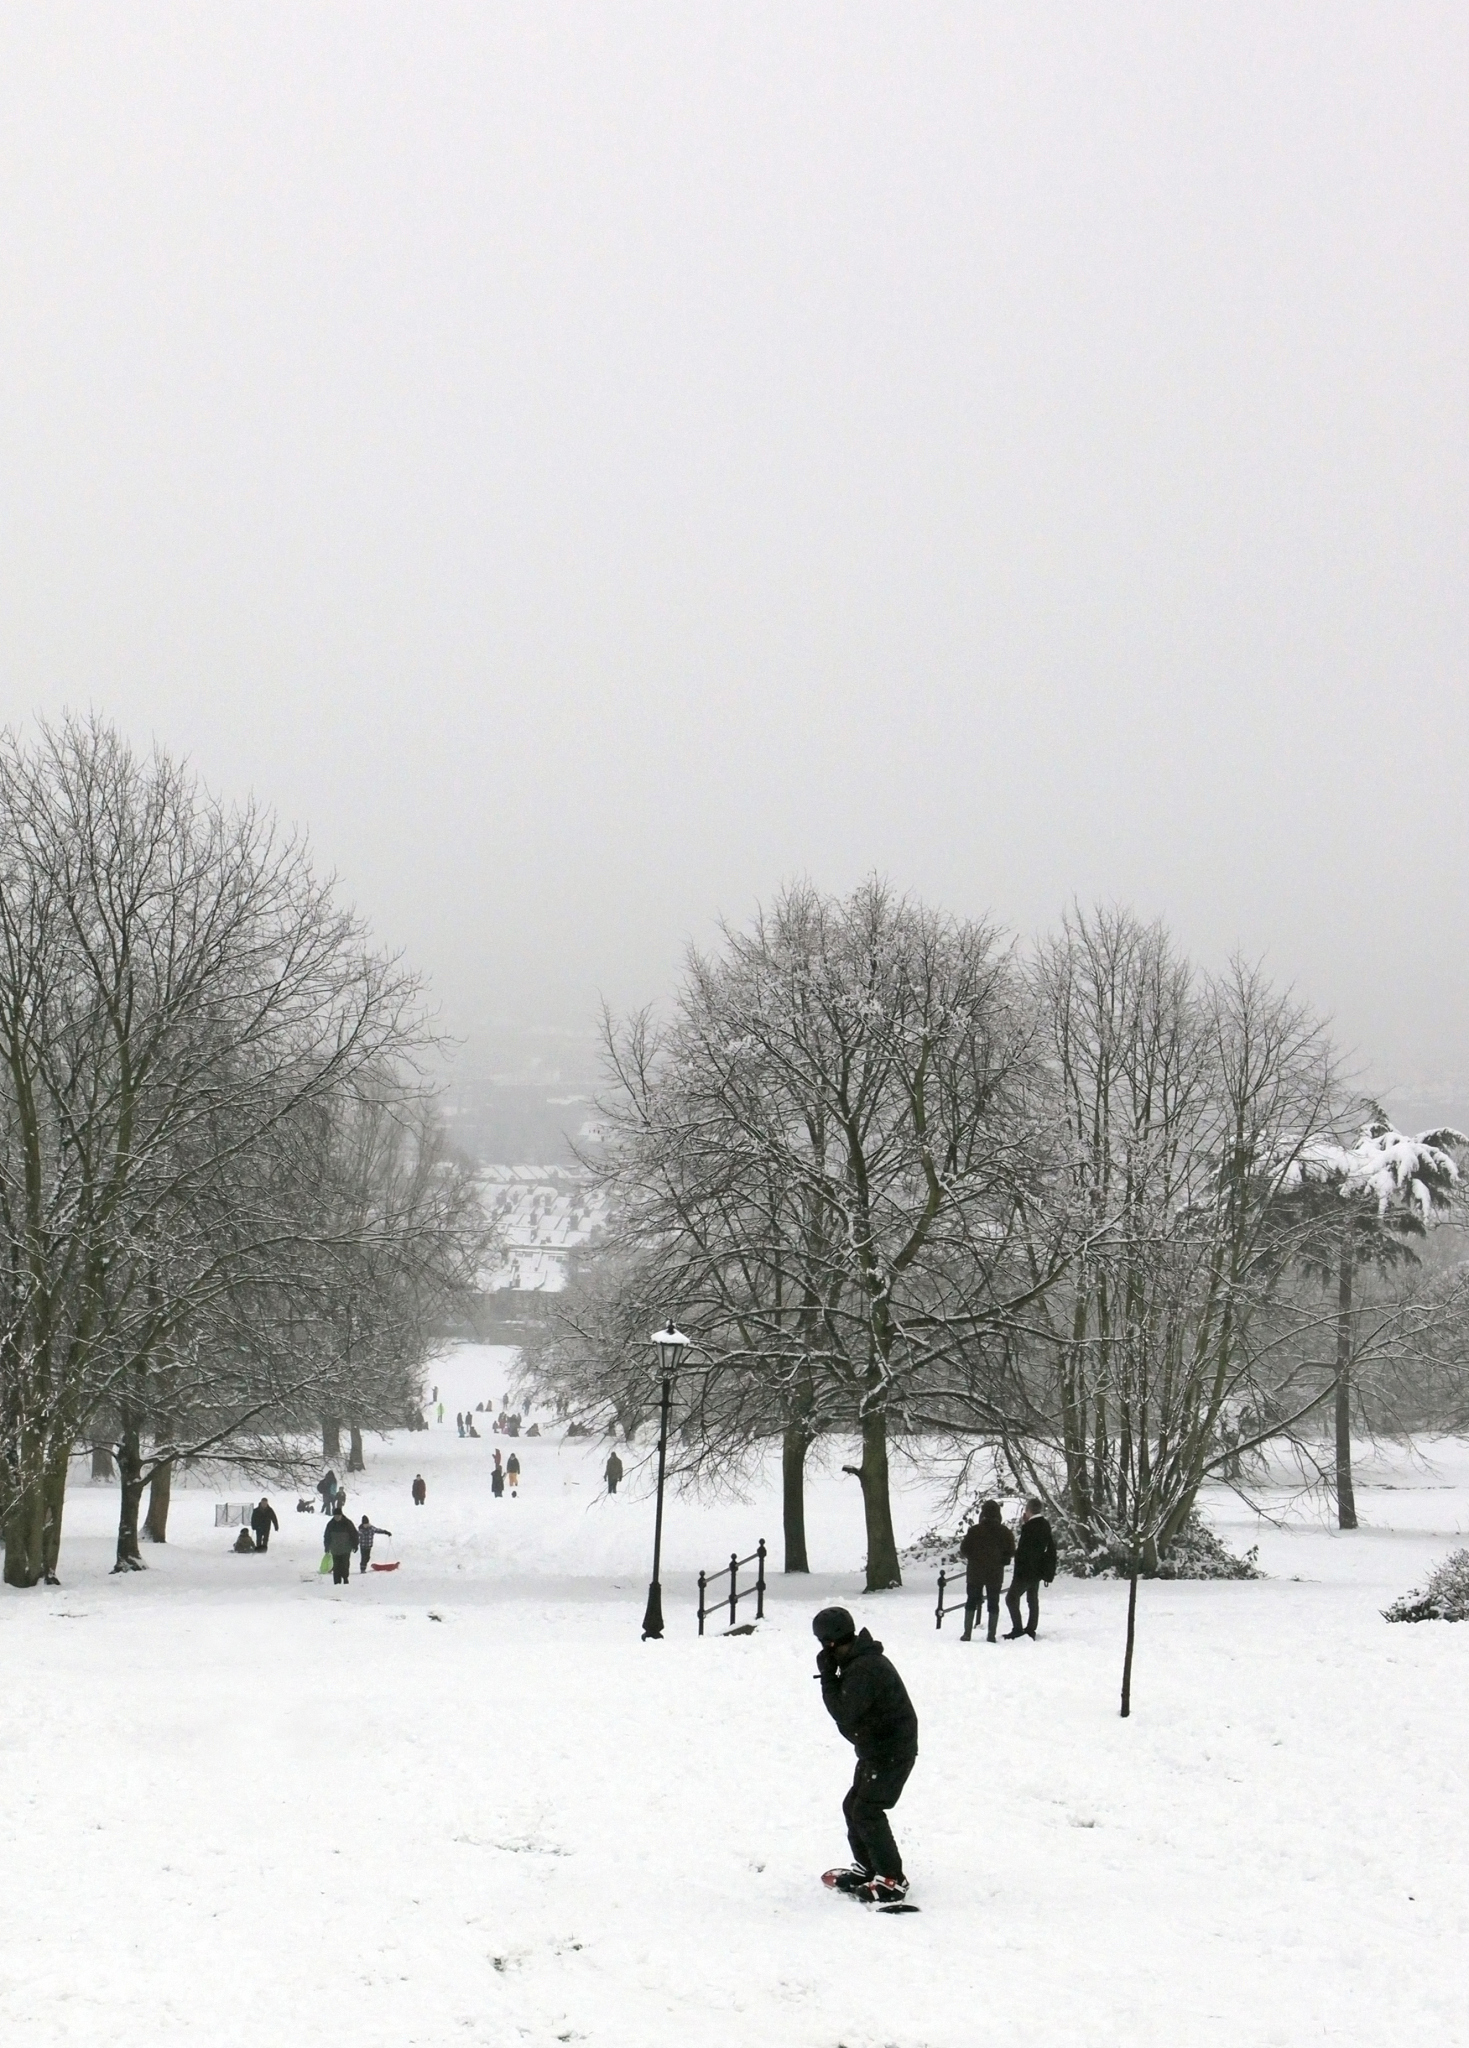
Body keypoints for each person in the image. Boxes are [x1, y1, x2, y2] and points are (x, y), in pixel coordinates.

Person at [812, 1607, 918, 1907]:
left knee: (867, 1811)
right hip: (878, 1749)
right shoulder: (858, 1660)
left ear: (829, 1643)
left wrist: (827, 1678)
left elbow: (843, 1711)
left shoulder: (864, 1668)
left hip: (891, 1752)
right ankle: (870, 1868)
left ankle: (891, 1880)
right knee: (854, 1806)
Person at [958, 1499, 1014, 1643]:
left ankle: (967, 1633)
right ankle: (991, 1635)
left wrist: (973, 1558)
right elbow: (1010, 1552)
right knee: (993, 1603)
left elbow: (964, 1549)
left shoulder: (974, 1530)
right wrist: (1002, 1560)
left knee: (971, 1601)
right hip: (995, 1573)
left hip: (975, 1572)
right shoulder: (1004, 1532)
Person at [1004, 1498, 1058, 1639]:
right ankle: (1031, 1629)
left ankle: (1018, 1628)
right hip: (1038, 1570)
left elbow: (1025, 1551)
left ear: (1028, 1510)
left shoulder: (1029, 1527)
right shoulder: (1045, 1525)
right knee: (1032, 1599)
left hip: (1026, 1570)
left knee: (1011, 1598)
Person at [322, 1504, 359, 1585]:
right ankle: (337, 1581)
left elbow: (354, 1534)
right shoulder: (331, 1524)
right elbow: (327, 1536)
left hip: (346, 1549)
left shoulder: (347, 1523)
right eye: (335, 1516)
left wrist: (355, 1545)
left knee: (345, 1565)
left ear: (341, 1515)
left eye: (338, 1516)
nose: (337, 1517)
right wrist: (327, 1546)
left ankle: (345, 1578)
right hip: (335, 1549)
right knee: (336, 1566)